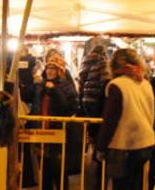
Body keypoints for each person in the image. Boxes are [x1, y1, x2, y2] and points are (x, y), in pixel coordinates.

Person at [97, 48, 155, 190]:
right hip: (146, 142)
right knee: (136, 184)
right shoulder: (145, 83)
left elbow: (111, 120)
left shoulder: (116, 85)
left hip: (123, 145)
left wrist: (101, 146)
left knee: (121, 185)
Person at [32, 54, 78, 189]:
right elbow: (36, 106)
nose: (49, 71)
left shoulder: (67, 87)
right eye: (48, 68)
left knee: (59, 170)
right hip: (42, 133)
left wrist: (54, 91)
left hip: (58, 133)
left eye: (53, 68)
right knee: (45, 171)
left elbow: (68, 109)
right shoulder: (41, 86)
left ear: (60, 71)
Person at [79, 45, 110, 119]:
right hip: (97, 98)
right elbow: (105, 81)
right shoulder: (103, 62)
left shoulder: (85, 62)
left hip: (86, 98)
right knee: (97, 122)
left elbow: (81, 81)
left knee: (89, 122)